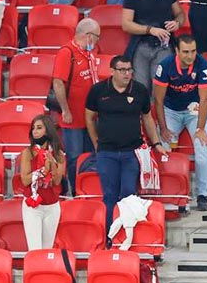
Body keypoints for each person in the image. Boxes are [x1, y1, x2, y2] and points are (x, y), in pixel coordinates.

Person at [85, 56, 167, 232]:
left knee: (129, 195)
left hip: (132, 152)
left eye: (129, 70)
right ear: (112, 71)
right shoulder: (98, 91)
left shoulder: (139, 90)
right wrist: (96, 143)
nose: (127, 74)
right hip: (107, 153)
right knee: (109, 196)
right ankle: (109, 235)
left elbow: (147, 118)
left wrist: (156, 142)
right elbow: (89, 118)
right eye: (122, 70)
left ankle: (127, 235)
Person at [154, 35, 207, 211]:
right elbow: (158, 100)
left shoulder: (203, 65)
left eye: (193, 51)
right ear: (177, 51)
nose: (190, 56)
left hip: (194, 110)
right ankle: (165, 191)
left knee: (202, 148)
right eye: (186, 52)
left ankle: (203, 195)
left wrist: (201, 129)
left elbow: (204, 100)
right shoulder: (165, 66)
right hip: (170, 110)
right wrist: (163, 128)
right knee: (163, 147)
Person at [122, 0, 186, 90]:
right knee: (141, 88)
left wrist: (177, 23)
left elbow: (180, 13)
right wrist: (150, 30)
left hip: (164, 45)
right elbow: (126, 24)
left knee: (161, 88)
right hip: (141, 45)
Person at [52, 17, 99, 195]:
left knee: (88, 157)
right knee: (74, 158)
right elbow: (58, 83)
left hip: (89, 118)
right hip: (73, 118)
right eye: (97, 37)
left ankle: (87, 189)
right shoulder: (67, 52)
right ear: (88, 36)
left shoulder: (88, 53)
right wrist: (65, 110)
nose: (97, 41)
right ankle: (75, 192)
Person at [19, 115, 65, 250]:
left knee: (46, 250)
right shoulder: (27, 153)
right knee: (35, 249)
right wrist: (44, 171)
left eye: (39, 128)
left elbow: (57, 181)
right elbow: (25, 180)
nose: (35, 131)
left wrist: (52, 165)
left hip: (52, 206)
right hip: (33, 206)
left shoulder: (58, 154)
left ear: (48, 130)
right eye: (33, 128)